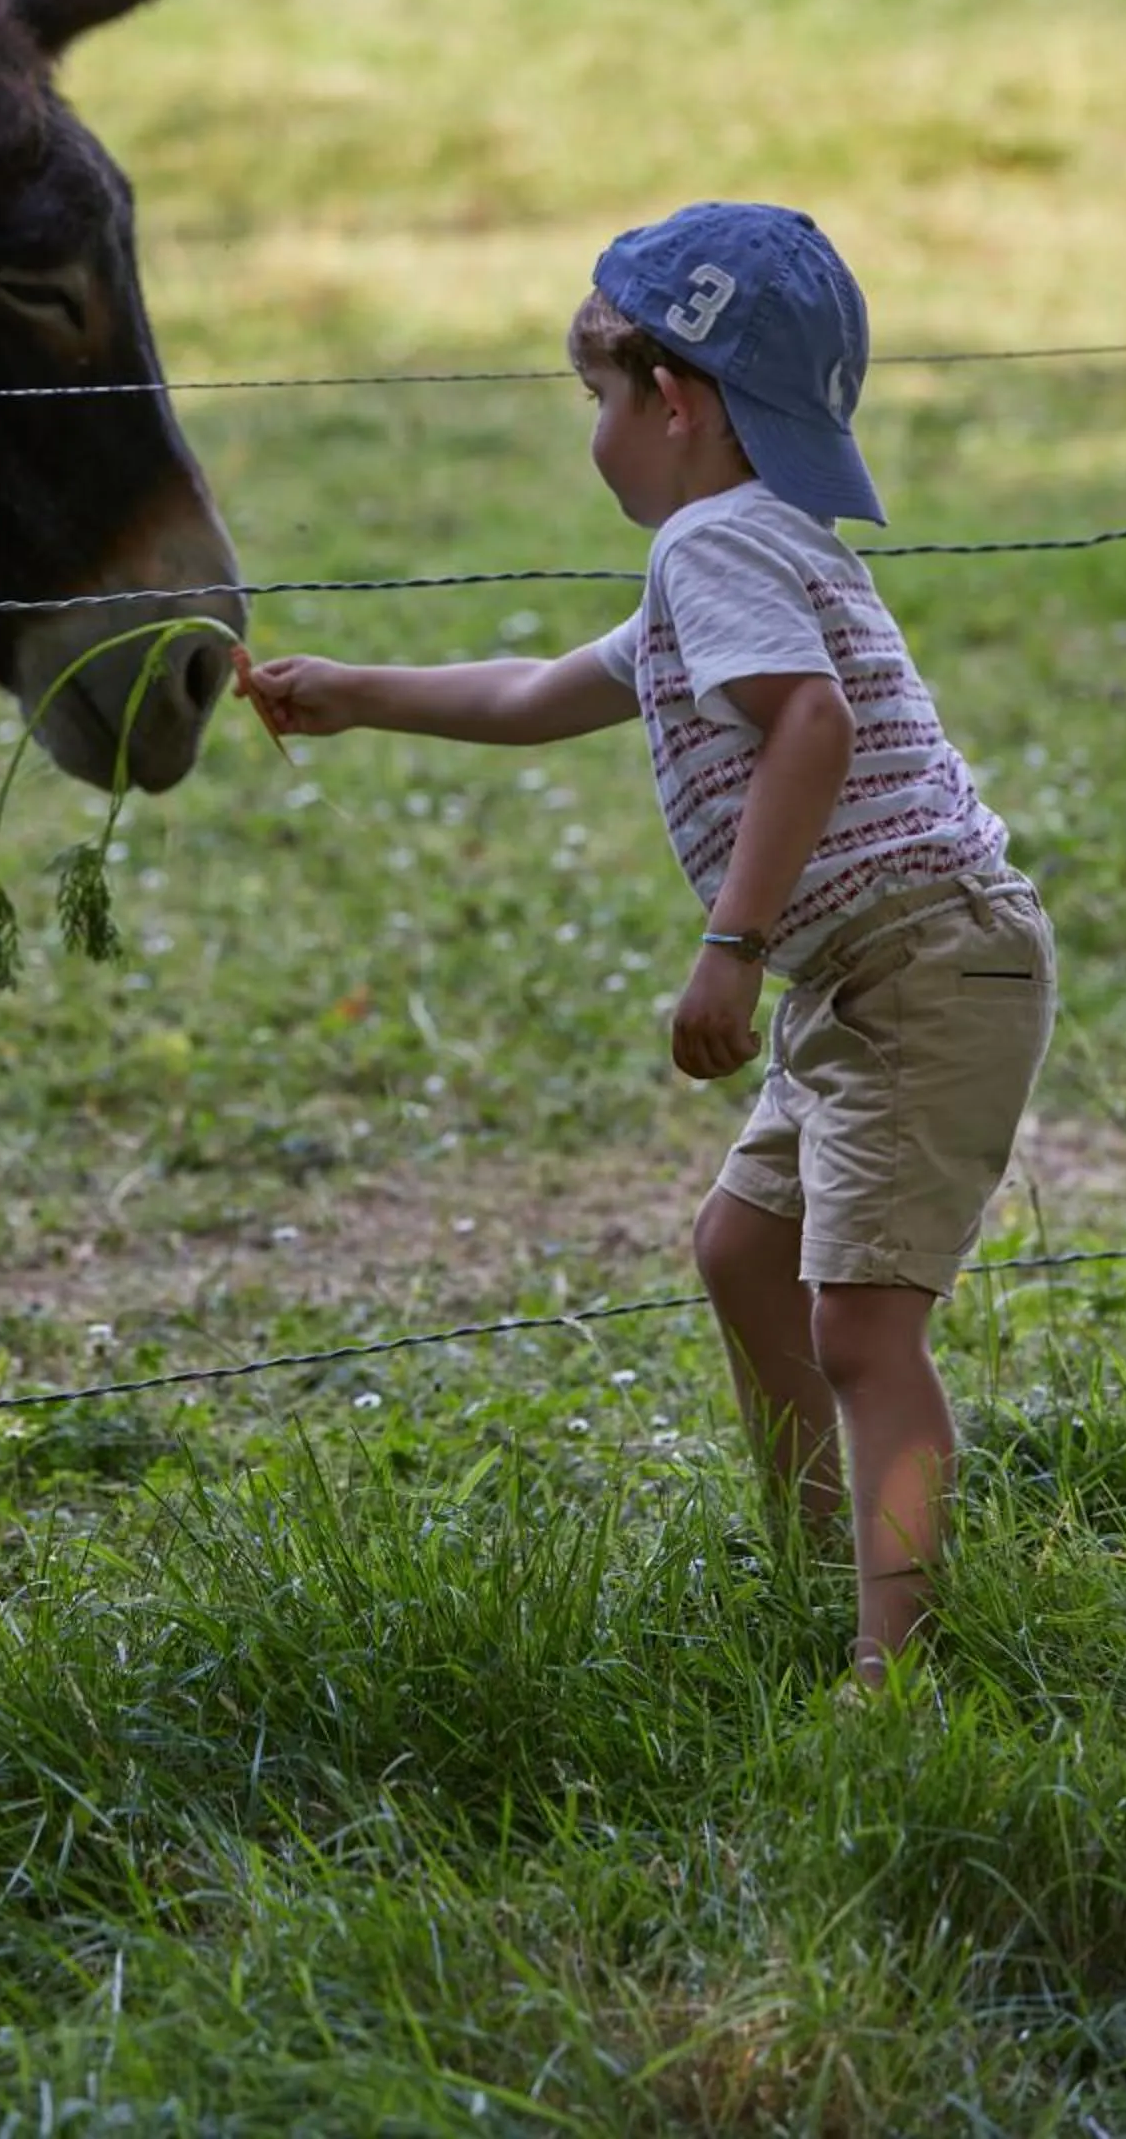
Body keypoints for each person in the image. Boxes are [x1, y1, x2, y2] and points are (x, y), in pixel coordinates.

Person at [235, 202, 1055, 1688]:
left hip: (916, 967)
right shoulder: (748, 544)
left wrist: (731, 944)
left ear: (670, 401)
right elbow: (541, 690)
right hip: (886, 967)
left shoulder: (711, 545)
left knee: (865, 1331)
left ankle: (895, 1671)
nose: (595, 434)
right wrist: (356, 692)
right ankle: (823, 1562)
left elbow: (813, 725)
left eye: (596, 399)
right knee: (745, 1252)